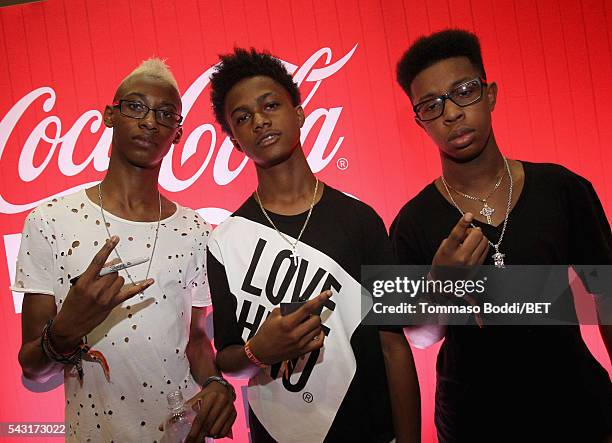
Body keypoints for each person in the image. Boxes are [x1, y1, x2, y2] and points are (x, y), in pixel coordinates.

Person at [392, 29, 612, 442]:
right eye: (432, 105)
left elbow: (608, 295)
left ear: (490, 95)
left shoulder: (562, 188)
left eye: (464, 91)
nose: (452, 113)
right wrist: (441, 286)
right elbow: (418, 339)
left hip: (579, 411)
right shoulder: (410, 222)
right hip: (474, 422)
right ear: (420, 121)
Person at [13, 58, 236, 442]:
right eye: (135, 106)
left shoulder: (196, 230)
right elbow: (32, 368)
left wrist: (216, 382)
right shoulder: (49, 220)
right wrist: (65, 331)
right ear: (109, 115)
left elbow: (196, 340)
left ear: (177, 133)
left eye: (166, 114)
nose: (150, 121)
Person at [206, 48, 421, 442]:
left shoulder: (362, 220)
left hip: (370, 431)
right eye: (242, 117)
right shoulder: (224, 241)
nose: (259, 120)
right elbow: (229, 362)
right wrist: (259, 351)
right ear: (235, 142)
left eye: (270, 104)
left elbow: (394, 346)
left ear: (300, 113)